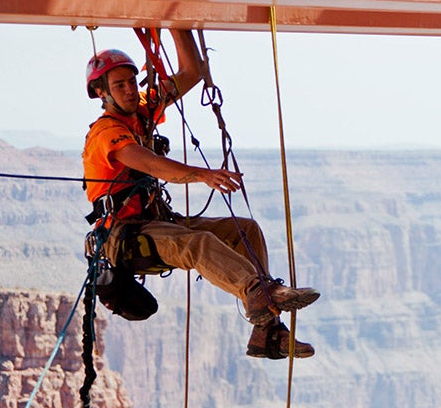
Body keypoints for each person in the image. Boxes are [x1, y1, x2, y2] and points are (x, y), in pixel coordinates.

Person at [82, 28, 320, 359]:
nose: (128, 91)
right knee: (199, 244)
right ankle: (258, 291)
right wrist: (202, 175)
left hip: (157, 223)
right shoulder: (107, 133)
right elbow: (151, 164)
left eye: (131, 83)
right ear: (101, 92)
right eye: (119, 86)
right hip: (124, 235)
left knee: (245, 230)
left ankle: (266, 332)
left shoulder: (142, 111)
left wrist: (178, 24)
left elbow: (192, 72)